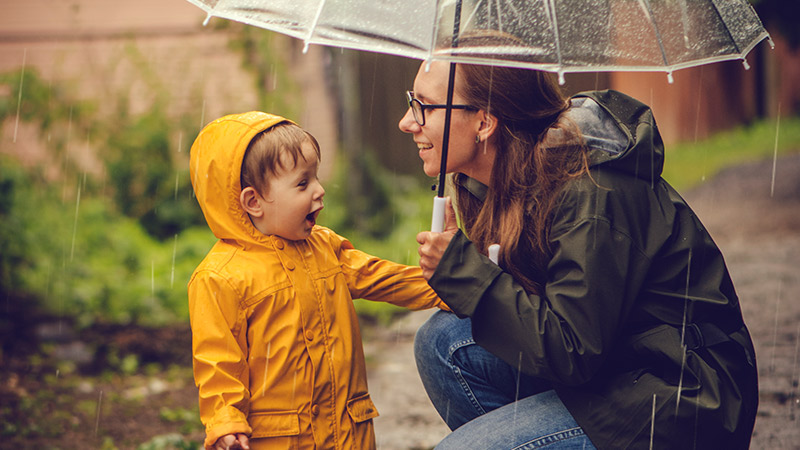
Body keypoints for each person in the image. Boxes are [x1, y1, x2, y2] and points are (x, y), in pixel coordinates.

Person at [400, 56, 759, 448]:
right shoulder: (500, 184)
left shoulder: (591, 190)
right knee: (444, 343)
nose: (407, 121)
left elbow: (572, 351)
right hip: (614, 367)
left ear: (484, 123)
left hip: (677, 393)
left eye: (424, 106)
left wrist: (464, 272)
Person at [188, 111, 447, 450]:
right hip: (280, 440)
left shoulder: (324, 247)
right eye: (302, 183)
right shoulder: (220, 278)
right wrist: (226, 423)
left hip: (346, 431)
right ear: (253, 202)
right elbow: (218, 362)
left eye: (316, 177)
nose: (320, 190)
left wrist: (451, 284)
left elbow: (381, 277)